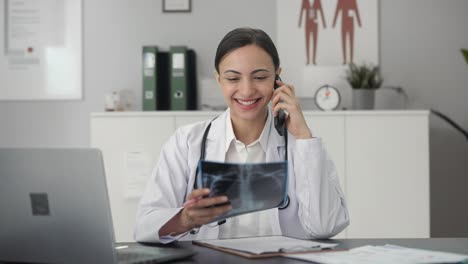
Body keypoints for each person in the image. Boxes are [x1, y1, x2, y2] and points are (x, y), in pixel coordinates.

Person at [134, 27, 349, 243]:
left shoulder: (301, 144)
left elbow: (325, 226)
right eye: (233, 78)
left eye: (260, 77)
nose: (246, 91)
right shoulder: (187, 142)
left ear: (277, 78)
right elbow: (144, 227)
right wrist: (185, 218)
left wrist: (304, 137)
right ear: (219, 80)